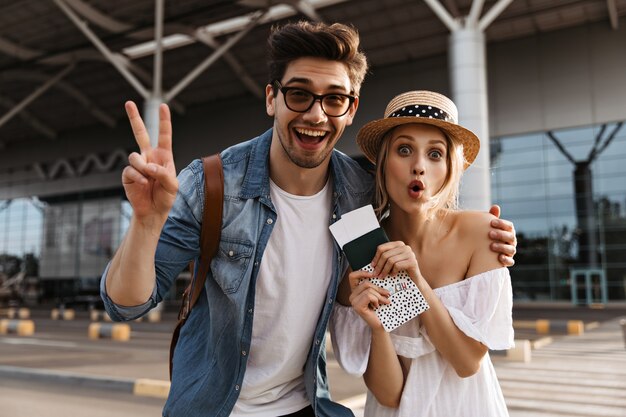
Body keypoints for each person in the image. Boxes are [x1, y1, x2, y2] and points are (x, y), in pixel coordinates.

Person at [100, 21, 517, 417]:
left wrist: (490, 235)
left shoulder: (360, 201)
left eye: (334, 98)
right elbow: (125, 305)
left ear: (351, 109)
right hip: (214, 407)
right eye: (299, 94)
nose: (316, 115)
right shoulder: (211, 185)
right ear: (271, 98)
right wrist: (145, 224)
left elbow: (420, 227)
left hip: (305, 407)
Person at [330, 90, 514, 417]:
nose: (419, 167)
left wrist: (416, 280)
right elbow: (389, 395)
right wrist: (375, 326)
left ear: (450, 167)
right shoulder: (362, 243)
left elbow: (466, 362)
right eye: (404, 150)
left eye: (435, 154)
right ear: (383, 162)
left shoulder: (481, 232)